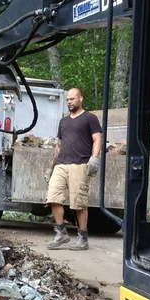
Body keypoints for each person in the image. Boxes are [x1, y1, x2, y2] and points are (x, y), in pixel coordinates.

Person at [45, 87, 102, 251]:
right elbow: (58, 146)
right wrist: (51, 167)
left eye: (72, 99)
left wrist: (95, 158)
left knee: (79, 203)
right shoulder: (63, 121)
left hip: (80, 164)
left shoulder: (90, 118)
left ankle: (82, 238)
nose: (69, 102)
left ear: (81, 99)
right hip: (61, 165)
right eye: (68, 99)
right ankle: (61, 233)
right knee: (52, 197)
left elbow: (97, 138)